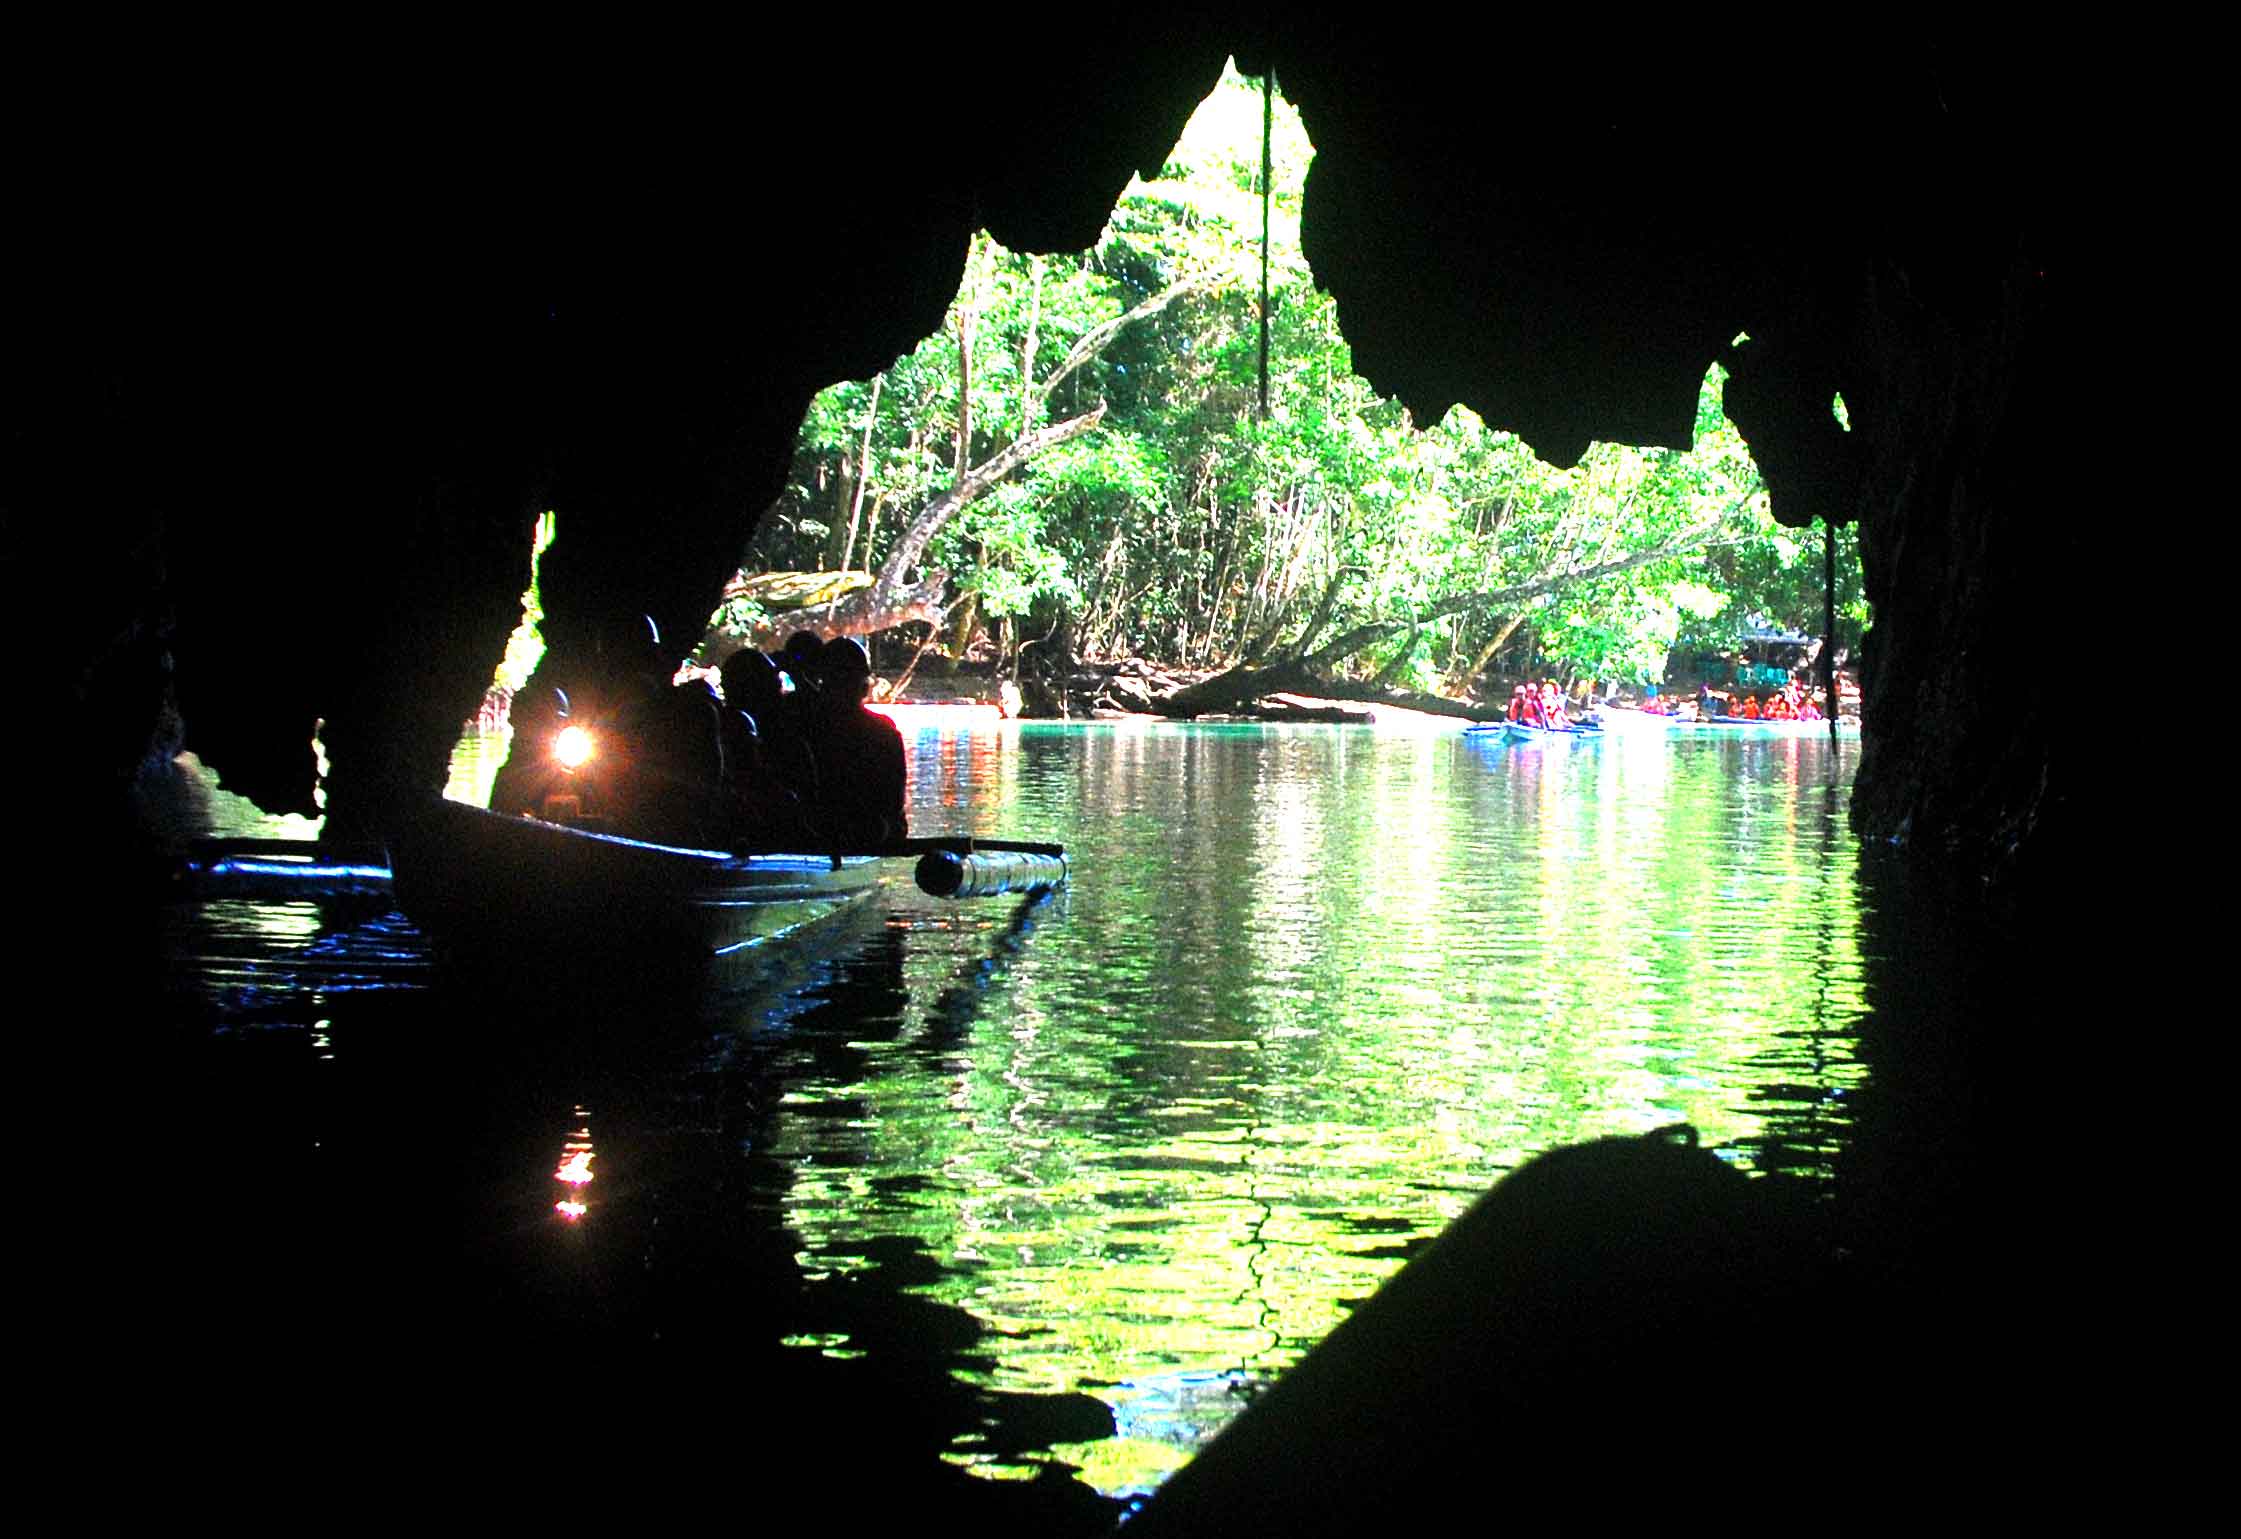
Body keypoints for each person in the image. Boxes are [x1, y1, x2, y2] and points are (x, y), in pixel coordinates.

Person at [803, 636, 907, 848]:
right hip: (870, 829)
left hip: (834, 828)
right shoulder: (884, 732)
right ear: (863, 686)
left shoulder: (804, 725)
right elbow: (894, 802)